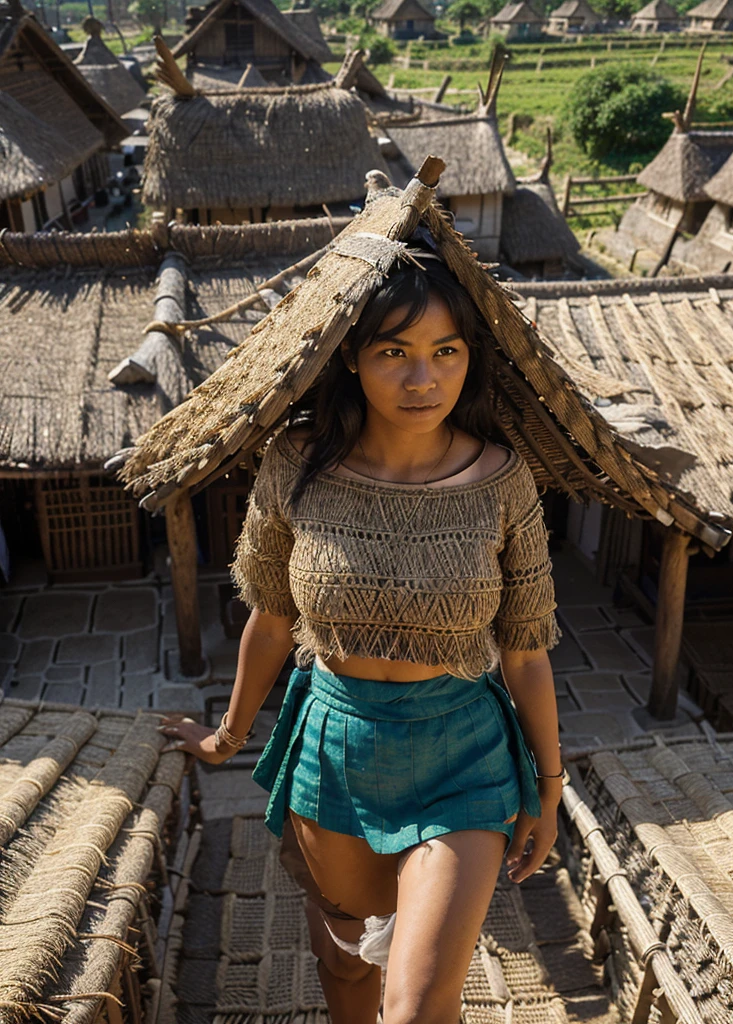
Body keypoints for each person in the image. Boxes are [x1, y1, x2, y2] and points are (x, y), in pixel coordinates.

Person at [161, 251, 563, 1024]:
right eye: (394, 353)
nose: (424, 380)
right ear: (352, 356)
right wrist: (225, 737)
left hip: (464, 755)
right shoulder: (295, 465)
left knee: (414, 1006)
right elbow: (273, 618)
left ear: (469, 359)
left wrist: (546, 787)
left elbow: (524, 650)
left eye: (446, 352)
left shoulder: (505, 480)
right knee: (345, 975)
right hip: (335, 752)